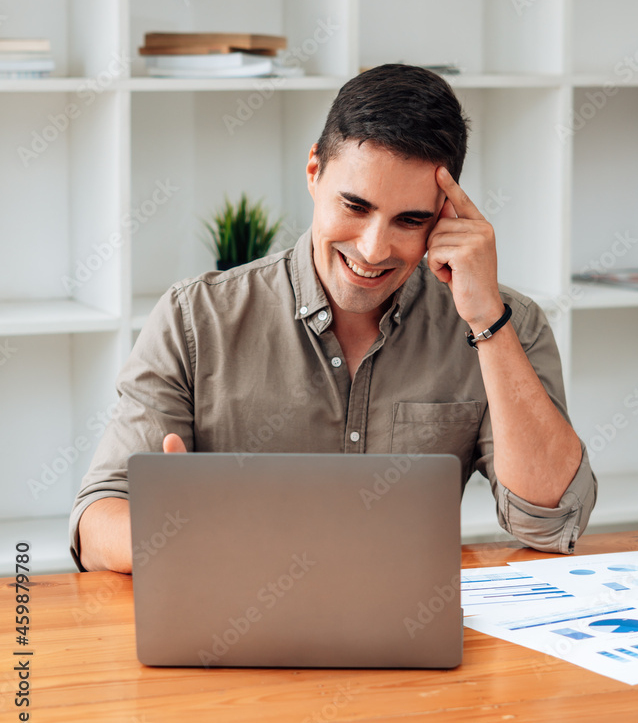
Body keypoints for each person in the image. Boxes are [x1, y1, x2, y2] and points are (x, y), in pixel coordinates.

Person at [70, 64, 597, 573]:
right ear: (314, 173)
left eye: (409, 219)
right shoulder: (195, 318)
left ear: (444, 217)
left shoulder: (503, 324)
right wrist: (184, 534)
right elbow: (96, 522)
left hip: (413, 633)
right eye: (355, 206)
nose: (373, 249)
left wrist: (486, 320)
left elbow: (551, 522)